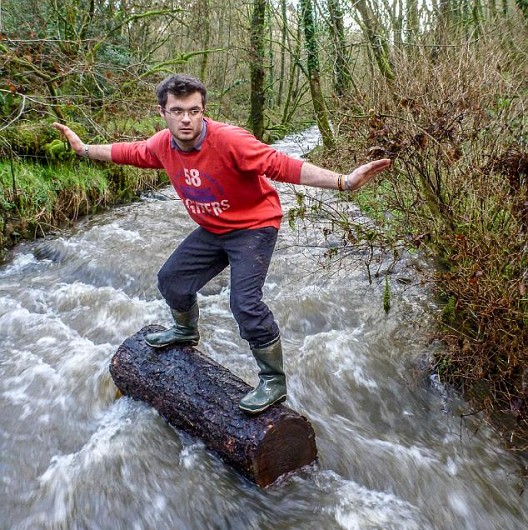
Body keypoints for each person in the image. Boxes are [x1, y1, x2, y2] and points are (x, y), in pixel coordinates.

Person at [53, 73, 391, 415]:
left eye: (194, 111)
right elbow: (128, 152)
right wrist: (84, 149)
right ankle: (185, 331)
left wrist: (343, 182)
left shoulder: (230, 141)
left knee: (245, 303)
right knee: (171, 280)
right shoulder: (161, 145)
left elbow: (280, 164)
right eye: (177, 111)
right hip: (214, 228)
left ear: (204, 110)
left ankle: (273, 380)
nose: (186, 119)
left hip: (254, 226)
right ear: (163, 112)